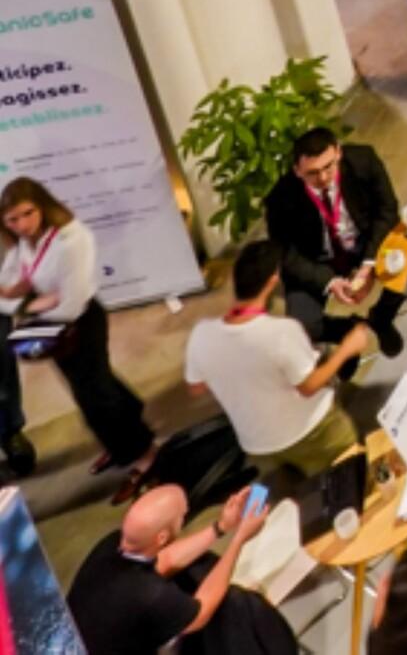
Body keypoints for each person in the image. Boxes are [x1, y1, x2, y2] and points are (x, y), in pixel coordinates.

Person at [0, 179, 153, 477]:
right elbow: (4, 293)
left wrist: (27, 303)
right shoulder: (23, 245)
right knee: (96, 387)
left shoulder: (71, 240)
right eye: (12, 219)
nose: (22, 225)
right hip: (52, 327)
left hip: (82, 324)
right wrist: (37, 302)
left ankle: (144, 458)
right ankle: (125, 435)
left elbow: (73, 305)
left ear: (42, 205)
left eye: (28, 213)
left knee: (95, 397)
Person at [182, 238, 369, 479]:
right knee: (356, 472)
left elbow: (196, 387)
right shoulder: (281, 333)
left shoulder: (202, 334)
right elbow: (309, 386)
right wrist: (347, 349)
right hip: (310, 430)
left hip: (257, 443)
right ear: (272, 281)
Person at [67, 481, 272, 653]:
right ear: (162, 537)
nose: (184, 518)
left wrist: (221, 527)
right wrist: (239, 539)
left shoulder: (111, 544)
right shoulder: (151, 594)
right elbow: (201, 612)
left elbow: (166, 559)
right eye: (182, 516)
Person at [262, 128, 406, 354]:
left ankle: (382, 318)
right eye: (312, 173)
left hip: (363, 243)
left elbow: (387, 212)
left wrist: (369, 263)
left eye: (328, 167)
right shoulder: (280, 199)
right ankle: (349, 332)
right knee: (302, 326)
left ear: (338, 152)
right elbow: (286, 255)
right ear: (297, 170)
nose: (323, 178)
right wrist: (329, 282)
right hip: (317, 260)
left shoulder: (363, 160)